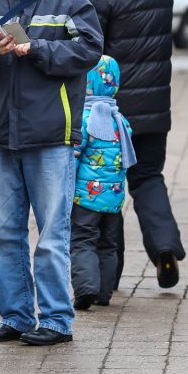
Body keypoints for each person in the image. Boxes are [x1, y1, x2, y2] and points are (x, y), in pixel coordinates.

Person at [0, 0, 103, 346]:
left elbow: (89, 51)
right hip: (1, 134)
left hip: (51, 135)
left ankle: (57, 320)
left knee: (51, 235)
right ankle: (17, 316)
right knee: (5, 234)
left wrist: (35, 49)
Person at [84, 0, 185, 288]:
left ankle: (109, 276)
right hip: (156, 108)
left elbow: (93, 54)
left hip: (111, 113)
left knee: (107, 188)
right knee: (147, 178)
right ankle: (165, 249)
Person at [71, 55, 135, 309]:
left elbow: (74, 156)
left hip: (85, 197)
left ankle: (86, 288)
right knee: (108, 243)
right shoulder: (120, 120)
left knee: (83, 240)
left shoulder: (84, 118)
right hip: (114, 196)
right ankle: (104, 292)